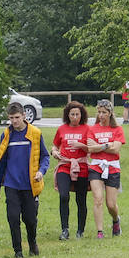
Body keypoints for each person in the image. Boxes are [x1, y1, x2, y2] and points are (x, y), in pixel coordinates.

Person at [0, 101, 49, 258]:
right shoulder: (6, 135)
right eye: (11, 118)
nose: (14, 121)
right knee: (12, 217)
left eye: (17, 117)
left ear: (24, 116)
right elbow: (1, 162)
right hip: (11, 184)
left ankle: (32, 243)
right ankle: (17, 251)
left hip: (30, 184)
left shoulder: (35, 133)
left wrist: (41, 171)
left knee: (30, 219)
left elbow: (45, 156)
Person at [84, 100, 126, 238]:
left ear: (110, 113)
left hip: (112, 167)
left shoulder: (117, 129)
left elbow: (116, 149)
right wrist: (107, 145)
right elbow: (90, 148)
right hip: (96, 166)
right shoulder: (93, 129)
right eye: (99, 112)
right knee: (97, 199)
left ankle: (115, 220)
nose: (101, 115)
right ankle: (100, 232)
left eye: (104, 112)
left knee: (111, 204)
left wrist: (100, 146)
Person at [51, 101, 91, 241]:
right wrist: (54, 152)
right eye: (72, 114)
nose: (75, 117)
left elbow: (92, 149)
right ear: (67, 115)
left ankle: (80, 230)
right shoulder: (62, 129)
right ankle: (65, 229)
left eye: (77, 114)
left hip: (81, 167)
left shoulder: (87, 129)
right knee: (63, 196)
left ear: (82, 115)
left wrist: (81, 145)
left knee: (81, 199)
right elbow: (55, 146)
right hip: (65, 166)